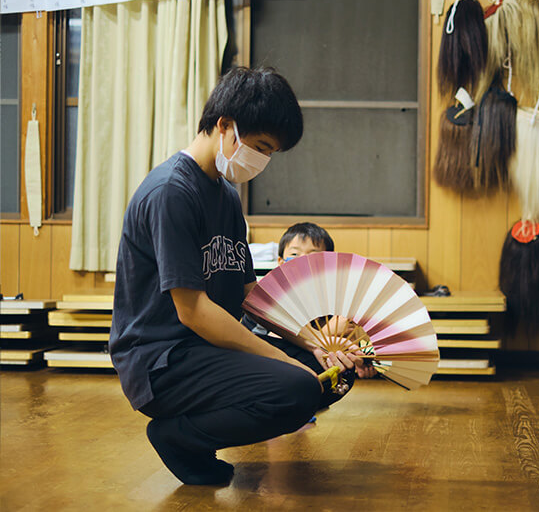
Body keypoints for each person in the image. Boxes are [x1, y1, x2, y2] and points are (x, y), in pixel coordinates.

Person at [109, 67, 370, 486]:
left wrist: (315, 347)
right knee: (297, 387)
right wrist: (285, 362)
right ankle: (178, 436)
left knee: (331, 377)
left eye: (271, 153)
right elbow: (193, 312)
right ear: (225, 125)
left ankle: (194, 435)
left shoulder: (226, 194)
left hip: (204, 351)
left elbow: (252, 293)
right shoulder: (171, 193)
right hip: (163, 360)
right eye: (261, 147)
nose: (263, 162)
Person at [243, 222, 377, 395]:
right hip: (260, 353)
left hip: (301, 355)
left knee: (342, 369)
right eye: (294, 254)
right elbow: (274, 338)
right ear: (280, 262)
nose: (302, 260)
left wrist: (361, 363)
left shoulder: (331, 300)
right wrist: (328, 332)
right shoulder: (273, 293)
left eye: (313, 256)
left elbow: (349, 344)